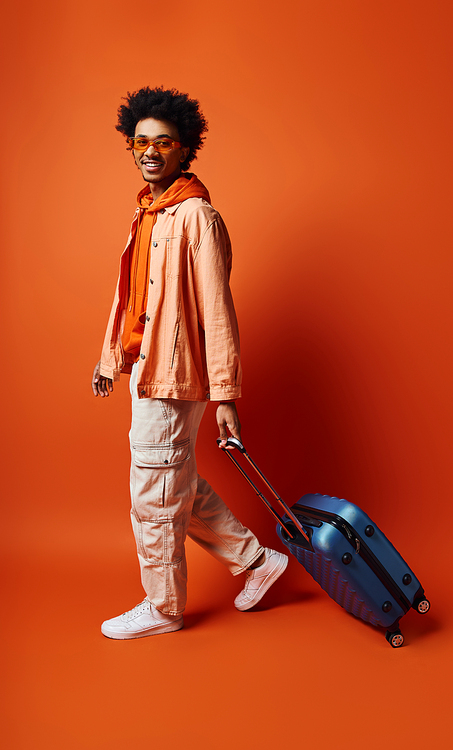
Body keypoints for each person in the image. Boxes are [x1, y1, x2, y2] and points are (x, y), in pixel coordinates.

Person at [92, 86, 287, 639]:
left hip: (176, 377)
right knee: (174, 481)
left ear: (185, 149)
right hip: (147, 370)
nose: (150, 151)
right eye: (140, 142)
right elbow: (130, 295)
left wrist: (225, 395)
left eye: (164, 142)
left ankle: (164, 608)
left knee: (152, 493)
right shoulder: (147, 212)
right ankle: (256, 562)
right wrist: (110, 359)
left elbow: (216, 308)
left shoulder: (198, 216)